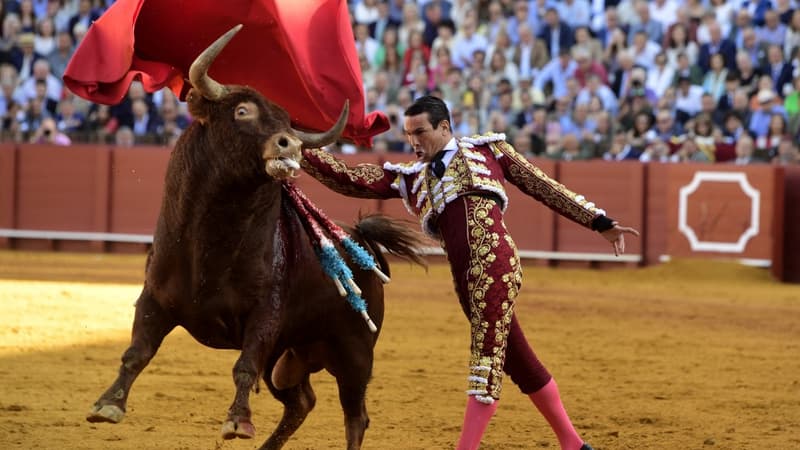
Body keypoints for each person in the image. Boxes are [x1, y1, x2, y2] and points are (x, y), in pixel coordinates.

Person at [300, 96, 639, 450]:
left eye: (420, 132)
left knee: (485, 364)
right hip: (465, 280)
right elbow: (350, 178)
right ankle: (573, 443)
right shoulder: (411, 178)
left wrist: (598, 221)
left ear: (444, 127)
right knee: (518, 362)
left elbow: (543, 186)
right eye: (408, 134)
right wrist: (299, 147)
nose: (413, 142)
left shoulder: (488, 151)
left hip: (495, 265)